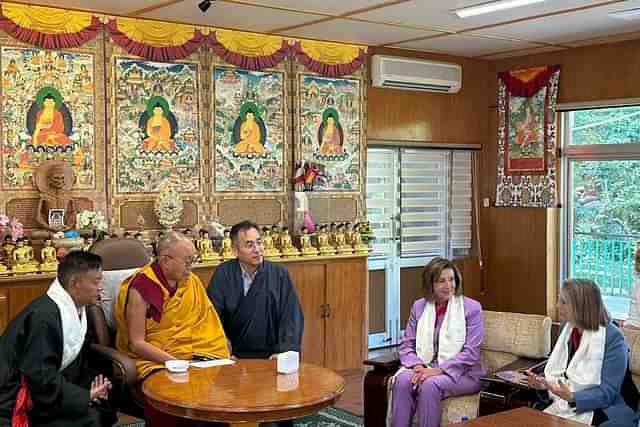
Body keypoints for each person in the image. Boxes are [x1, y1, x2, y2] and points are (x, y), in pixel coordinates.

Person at [0, 251, 116, 427]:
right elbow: (39, 375)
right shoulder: (44, 318)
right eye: (96, 282)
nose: (101, 287)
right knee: (90, 418)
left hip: (53, 387)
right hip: (21, 395)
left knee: (104, 405)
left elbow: (77, 362)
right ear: (75, 283)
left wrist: (95, 386)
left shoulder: (77, 309)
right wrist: (84, 396)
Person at [114, 231, 229, 380]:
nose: (191, 267)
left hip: (195, 356)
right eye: (187, 262)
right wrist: (176, 362)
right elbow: (136, 344)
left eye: (193, 261)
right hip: (155, 360)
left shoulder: (191, 282)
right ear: (166, 260)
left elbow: (205, 325)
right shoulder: (142, 287)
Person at [526, 279, 639, 426]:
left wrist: (573, 397)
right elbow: (563, 370)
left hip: (609, 406)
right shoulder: (567, 327)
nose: (557, 305)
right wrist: (544, 384)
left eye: (563, 302)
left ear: (581, 306)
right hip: (569, 399)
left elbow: (609, 393)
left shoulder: (613, 338)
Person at [390, 257, 485, 427]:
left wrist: (438, 370)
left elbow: (471, 353)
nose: (448, 285)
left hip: (463, 373)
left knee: (430, 385)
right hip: (425, 366)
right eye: (441, 281)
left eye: (451, 279)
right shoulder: (419, 307)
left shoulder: (472, 308)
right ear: (430, 284)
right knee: (403, 380)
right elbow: (407, 344)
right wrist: (417, 366)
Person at [207, 220, 304, 359]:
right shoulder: (223, 274)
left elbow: (291, 317)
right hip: (234, 357)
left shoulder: (279, 273)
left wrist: (284, 351)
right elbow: (211, 317)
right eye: (249, 245)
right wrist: (222, 348)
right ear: (235, 250)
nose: (257, 249)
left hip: (272, 356)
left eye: (259, 242)